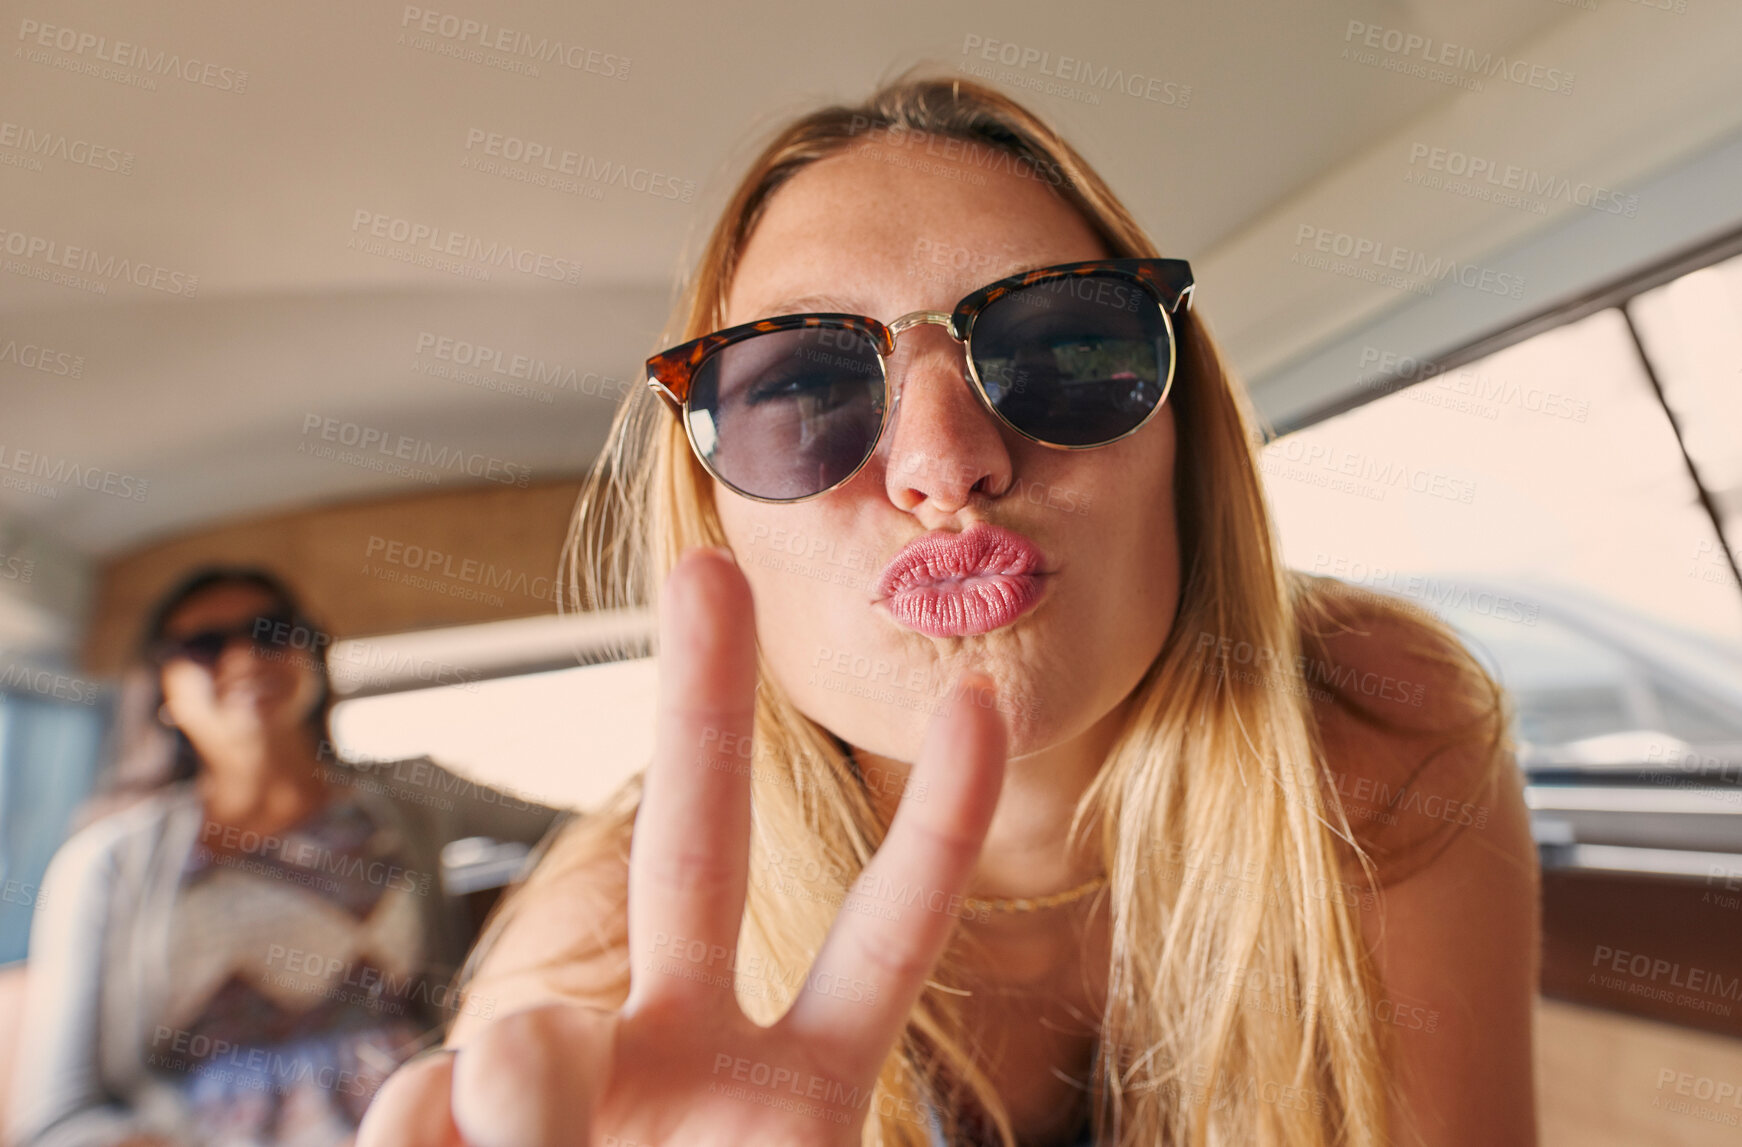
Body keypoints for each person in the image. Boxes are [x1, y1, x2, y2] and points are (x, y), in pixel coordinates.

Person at [358, 74, 1540, 1147]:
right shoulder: (596, 980)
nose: (943, 462)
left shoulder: (1378, 728)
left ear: (1183, 446)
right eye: (806, 388)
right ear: (719, 526)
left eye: (1069, 349)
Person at [8, 567, 563, 1147]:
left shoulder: (411, 798)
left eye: (272, 631)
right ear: (162, 690)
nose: (248, 655)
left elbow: (585, 836)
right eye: (205, 644)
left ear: (313, 657)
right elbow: (59, 1119)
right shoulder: (107, 862)